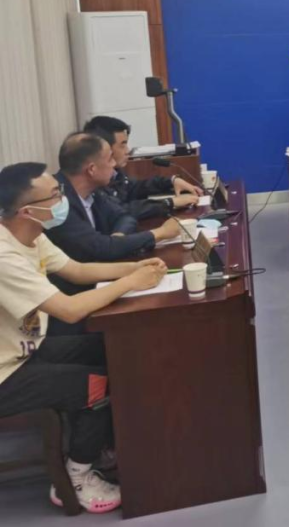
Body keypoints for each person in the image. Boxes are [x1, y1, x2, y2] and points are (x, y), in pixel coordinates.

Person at [0, 162, 168, 513]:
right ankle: (77, 476)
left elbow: (77, 271)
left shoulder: (30, 233)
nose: (63, 199)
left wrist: (135, 268)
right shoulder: (4, 255)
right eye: (55, 195)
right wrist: (130, 283)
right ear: (28, 211)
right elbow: (69, 310)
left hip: (24, 350)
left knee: (112, 349)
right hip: (5, 373)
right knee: (97, 385)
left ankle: (103, 443)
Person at [46, 134, 180, 271]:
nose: (114, 164)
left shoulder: (91, 190)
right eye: (110, 159)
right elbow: (99, 248)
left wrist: (117, 239)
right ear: (92, 169)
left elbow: (124, 216)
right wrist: (160, 233)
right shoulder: (56, 203)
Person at [83, 116, 203, 221]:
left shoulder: (115, 173)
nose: (127, 150)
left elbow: (134, 187)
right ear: (104, 148)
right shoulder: (95, 181)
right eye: (122, 145)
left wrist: (171, 181)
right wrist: (169, 203)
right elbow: (120, 210)